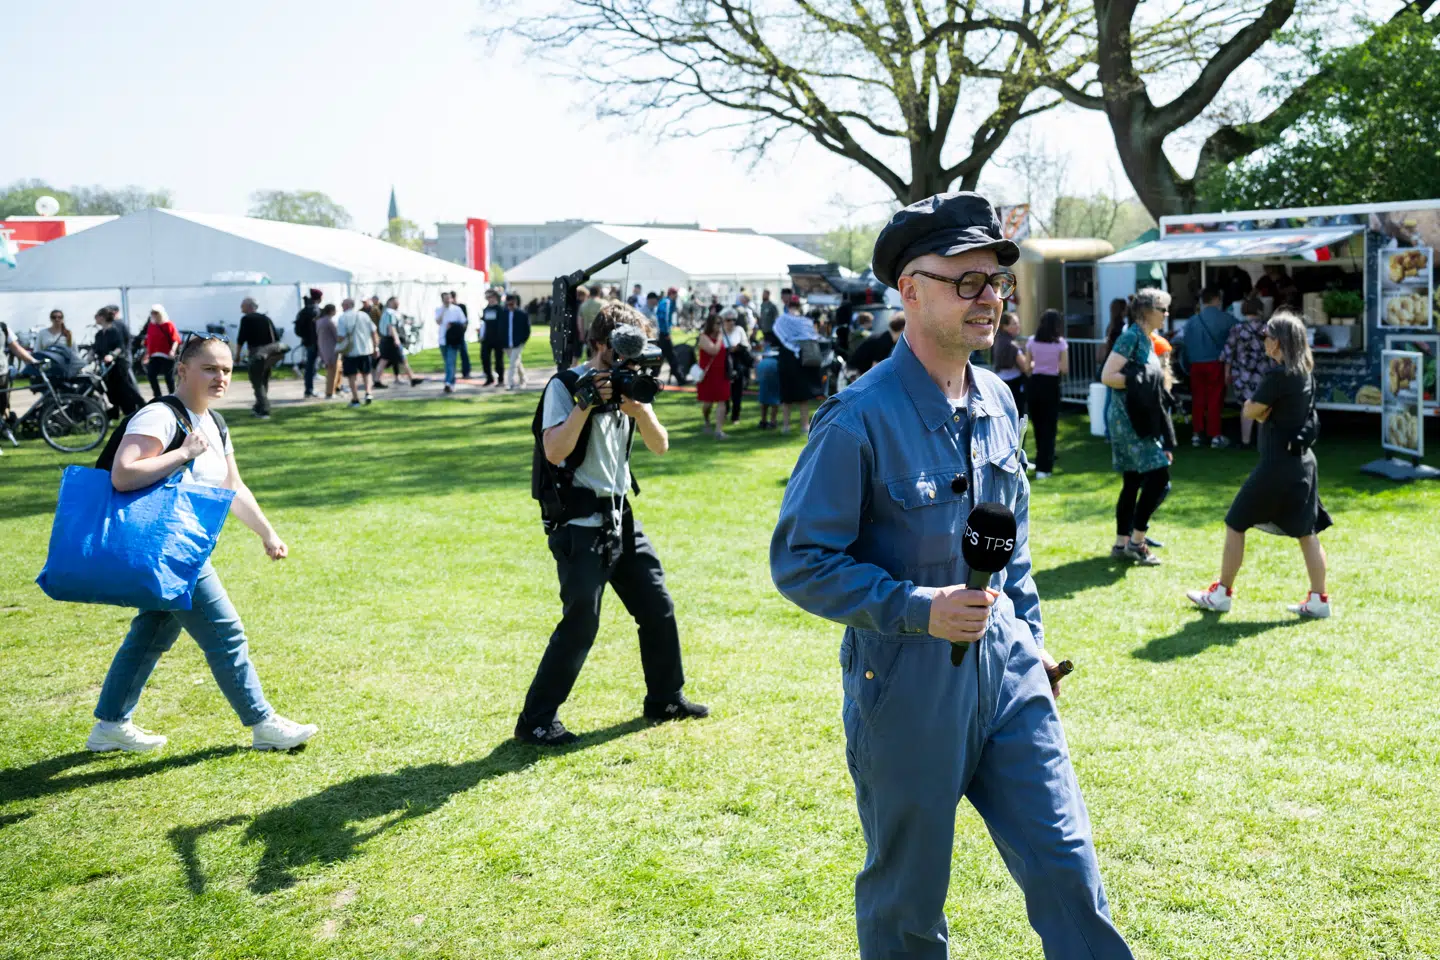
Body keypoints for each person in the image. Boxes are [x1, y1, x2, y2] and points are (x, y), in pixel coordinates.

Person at [772, 192, 1133, 960]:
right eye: (966, 282)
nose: (990, 299)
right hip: (906, 687)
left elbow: (1010, 542)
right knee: (907, 906)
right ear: (910, 291)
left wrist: (1030, 637)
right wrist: (914, 606)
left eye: (995, 282)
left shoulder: (999, 399)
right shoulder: (857, 417)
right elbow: (800, 561)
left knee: (1070, 871)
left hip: (1009, 673)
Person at [85, 334, 318, 754]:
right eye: (210, 368)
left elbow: (233, 486)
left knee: (151, 632)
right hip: (170, 550)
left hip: (182, 546)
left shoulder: (213, 421)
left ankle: (110, 724)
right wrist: (182, 453)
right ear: (183, 370)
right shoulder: (159, 417)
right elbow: (123, 474)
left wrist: (267, 533)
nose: (220, 377)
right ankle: (263, 723)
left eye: (227, 369)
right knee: (226, 632)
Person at [519, 303, 708, 746]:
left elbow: (659, 446)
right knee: (582, 622)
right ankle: (535, 722)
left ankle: (666, 697)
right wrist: (586, 404)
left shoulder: (632, 384)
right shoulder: (566, 386)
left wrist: (639, 409)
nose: (625, 363)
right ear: (601, 343)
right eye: (618, 352)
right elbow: (553, 450)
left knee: (657, 606)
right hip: (579, 522)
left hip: (621, 517)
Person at [1187, 312, 1332, 618]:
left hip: (1277, 465)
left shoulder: (1279, 376)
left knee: (1235, 521)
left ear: (1278, 342)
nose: (1264, 341)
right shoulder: (1304, 372)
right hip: (1301, 464)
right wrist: (1262, 410)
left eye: (1267, 336)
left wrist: (1257, 409)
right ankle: (1319, 600)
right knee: (1307, 533)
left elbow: (1251, 410)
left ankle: (1222, 595)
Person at [1100, 288, 1175, 566]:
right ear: (1147, 311)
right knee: (1158, 477)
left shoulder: (1145, 338)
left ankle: (1121, 544)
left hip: (1136, 417)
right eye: (1162, 309)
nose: (1166, 314)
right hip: (1128, 419)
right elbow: (1108, 376)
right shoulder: (1131, 336)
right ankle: (1137, 541)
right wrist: (1138, 380)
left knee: (1132, 481)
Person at [1183, 286, 1236, 448]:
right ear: (1216, 299)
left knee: (1198, 399)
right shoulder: (1226, 318)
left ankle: (1196, 434)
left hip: (1195, 365)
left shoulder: (1191, 321)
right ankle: (1215, 435)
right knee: (1214, 400)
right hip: (1215, 363)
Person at [1222, 297, 1274, 449]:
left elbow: (1228, 352)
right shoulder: (1268, 329)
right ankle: (1262, 441)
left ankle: (1245, 441)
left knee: (1246, 407)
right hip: (1264, 371)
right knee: (1263, 406)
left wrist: (1227, 373)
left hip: (1242, 373)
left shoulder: (1237, 329)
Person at [1024, 308, 1068, 478]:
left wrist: (1038, 364)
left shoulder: (1031, 341)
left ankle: (1039, 460)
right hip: (1051, 385)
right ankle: (1045, 467)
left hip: (1035, 383)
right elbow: (1064, 368)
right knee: (1050, 427)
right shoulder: (1061, 343)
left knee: (1038, 425)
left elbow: (1027, 367)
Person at [773, 299, 823, 434]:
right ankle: (805, 425)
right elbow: (813, 336)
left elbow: (777, 335)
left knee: (787, 394)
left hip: (787, 357)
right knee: (803, 395)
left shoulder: (781, 320)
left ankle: (786, 426)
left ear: (787, 305)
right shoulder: (805, 321)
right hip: (802, 356)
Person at [93, 306, 146, 417]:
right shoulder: (99, 334)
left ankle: (142, 407)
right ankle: (114, 413)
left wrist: (112, 355)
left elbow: (121, 346)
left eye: (97, 316)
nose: (95, 318)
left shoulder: (115, 330)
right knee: (111, 389)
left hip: (119, 364)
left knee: (127, 387)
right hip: (107, 367)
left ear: (102, 317)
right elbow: (97, 349)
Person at [235, 298, 282, 420]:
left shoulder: (246, 319)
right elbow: (276, 337)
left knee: (257, 381)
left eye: (242, 306)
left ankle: (264, 410)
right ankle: (258, 407)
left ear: (249, 307)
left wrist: (237, 355)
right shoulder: (266, 318)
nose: (241, 308)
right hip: (270, 354)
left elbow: (241, 338)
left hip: (256, 354)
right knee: (264, 380)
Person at [336, 298, 378, 407]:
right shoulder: (364, 315)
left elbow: (341, 336)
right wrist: (375, 347)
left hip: (351, 351)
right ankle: (368, 392)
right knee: (366, 373)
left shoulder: (343, 318)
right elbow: (374, 331)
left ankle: (355, 399)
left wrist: (337, 344)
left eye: (342, 304)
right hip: (365, 349)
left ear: (346, 305)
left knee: (352, 376)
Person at [695, 313, 731, 438]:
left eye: (721, 323)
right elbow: (713, 350)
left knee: (722, 400)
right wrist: (720, 337)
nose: (719, 326)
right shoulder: (703, 337)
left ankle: (719, 430)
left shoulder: (723, 336)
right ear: (710, 324)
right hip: (708, 375)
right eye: (717, 323)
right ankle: (706, 419)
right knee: (708, 404)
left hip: (721, 373)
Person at [376, 297, 422, 387]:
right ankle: (412, 378)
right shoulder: (390, 313)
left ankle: (377, 380)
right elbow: (391, 327)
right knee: (402, 360)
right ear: (389, 303)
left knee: (384, 361)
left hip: (387, 340)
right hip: (391, 340)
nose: (397, 305)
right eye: (395, 303)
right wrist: (396, 339)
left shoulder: (388, 313)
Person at [991, 311, 1030, 416]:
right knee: (1017, 416)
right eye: (1014, 323)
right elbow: (1025, 367)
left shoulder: (997, 339)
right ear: (1004, 326)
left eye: (1017, 323)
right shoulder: (1013, 345)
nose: (1018, 326)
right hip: (1014, 385)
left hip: (1000, 380)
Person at [139, 304, 182, 399]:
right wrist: (146, 354)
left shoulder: (168, 324)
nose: (154, 315)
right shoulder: (151, 325)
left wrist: (172, 351)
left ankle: (173, 396)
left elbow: (175, 339)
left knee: (169, 377)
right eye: (152, 313)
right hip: (154, 354)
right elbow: (149, 340)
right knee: (151, 374)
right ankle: (157, 395)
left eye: (156, 313)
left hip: (167, 355)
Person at [721, 308, 753, 425]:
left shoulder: (739, 330)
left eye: (733, 320)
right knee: (724, 392)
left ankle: (735, 416)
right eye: (728, 320)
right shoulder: (719, 331)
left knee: (737, 392)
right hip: (723, 365)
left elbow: (746, 346)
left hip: (737, 364)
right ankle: (724, 412)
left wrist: (737, 347)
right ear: (723, 321)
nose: (731, 322)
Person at [496, 293, 532, 389]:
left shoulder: (522, 314)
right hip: (507, 344)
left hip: (518, 343)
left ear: (515, 303)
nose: (509, 306)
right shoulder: (503, 314)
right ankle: (524, 379)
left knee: (512, 364)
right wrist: (502, 341)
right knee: (517, 362)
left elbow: (527, 330)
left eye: (511, 304)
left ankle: (510, 383)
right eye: (508, 304)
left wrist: (522, 341)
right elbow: (500, 328)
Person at [435, 291, 468, 394]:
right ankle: (450, 381)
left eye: (449, 298)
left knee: (450, 362)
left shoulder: (457, 309)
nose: (447, 300)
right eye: (445, 298)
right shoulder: (439, 310)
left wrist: (453, 325)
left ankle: (448, 383)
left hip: (453, 340)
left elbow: (463, 322)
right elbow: (438, 321)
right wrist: (444, 310)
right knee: (447, 363)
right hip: (442, 339)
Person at [294, 288, 322, 398]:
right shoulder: (315, 311)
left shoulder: (303, 311)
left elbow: (298, 329)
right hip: (316, 341)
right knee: (312, 365)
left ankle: (309, 389)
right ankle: (310, 390)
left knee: (311, 365)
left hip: (307, 341)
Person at [479, 289, 505, 387]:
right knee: (484, 358)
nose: (489, 299)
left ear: (495, 297)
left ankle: (500, 380)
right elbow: (484, 324)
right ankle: (489, 378)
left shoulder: (500, 309)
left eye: (490, 297)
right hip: (486, 339)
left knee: (498, 360)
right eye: (487, 297)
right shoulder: (485, 309)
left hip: (498, 339)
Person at [755, 337, 781, 429]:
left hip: (764, 367)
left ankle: (763, 421)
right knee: (775, 400)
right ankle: (773, 421)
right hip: (775, 368)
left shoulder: (766, 343)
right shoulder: (779, 340)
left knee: (764, 399)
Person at [316, 304, 341, 399]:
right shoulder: (329, 322)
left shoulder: (319, 321)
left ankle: (331, 390)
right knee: (332, 372)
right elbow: (337, 336)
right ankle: (330, 392)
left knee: (330, 371)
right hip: (331, 349)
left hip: (323, 348)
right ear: (331, 311)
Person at [654, 288, 677, 383]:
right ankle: (680, 377)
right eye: (676, 294)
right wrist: (667, 333)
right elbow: (666, 318)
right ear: (672, 294)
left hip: (662, 334)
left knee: (661, 357)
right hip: (664, 334)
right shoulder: (667, 302)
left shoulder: (663, 301)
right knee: (671, 357)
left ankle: (654, 375)